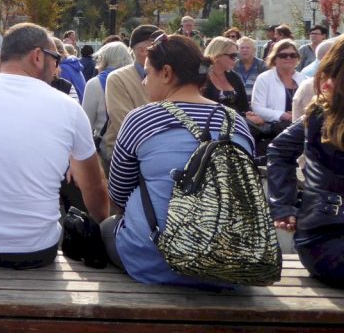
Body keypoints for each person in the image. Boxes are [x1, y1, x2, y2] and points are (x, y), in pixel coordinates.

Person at [0, 23, 109, 269]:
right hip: (34, 250)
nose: (57, 66)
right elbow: (94, 187)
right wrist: (103, 226)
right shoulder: (67, 108)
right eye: (55, 58)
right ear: (37, 56)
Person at [103, 34, 255, 286]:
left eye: (147, 72)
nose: (143, 82)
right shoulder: (235, 120)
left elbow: (118, 194)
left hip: (156, 262)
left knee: (109, 227)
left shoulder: (142, 118)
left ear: (166, 73)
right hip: (231, 265)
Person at [268, 37, 344, 287]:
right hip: (326, 237)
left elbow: (279, 150)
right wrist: (283, 206)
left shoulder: (321, 113)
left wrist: (284, 206)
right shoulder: (322, 115)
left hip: (320, 236)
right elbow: (279, 150)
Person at [102, 25, 158, 160]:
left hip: (156, 153)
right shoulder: (118, 78)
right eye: (159, 48)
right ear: (142, 50)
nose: (167, 53)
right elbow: (125, 124)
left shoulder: (164, 76)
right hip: (125, 156)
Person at [250, 38, 303, 156]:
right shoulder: (264, 79)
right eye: (283, 55)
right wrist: (283, 115)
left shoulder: (304, 80)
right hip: (273, 133)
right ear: (275, 59)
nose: (289, 58)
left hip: (300, 131)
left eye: (293, 55)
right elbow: (257, 108)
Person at [82, 41, 134, 156]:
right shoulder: (137, 80)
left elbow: (86, 123)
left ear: (104, 59)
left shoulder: (94, 84)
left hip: (109, 148)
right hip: (135, 146)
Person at [201, 36, 250, 115]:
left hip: (237, 123)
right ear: (217, 55)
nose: (236, 59)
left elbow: (244, 107)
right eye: (232, 56)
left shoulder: (234, 77)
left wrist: (249, 115)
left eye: (237, 56)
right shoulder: (201, 76)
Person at [233, 36, 266, 100]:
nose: (245, 50)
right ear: (237, 50)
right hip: (238, 102)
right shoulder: (233, 66)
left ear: (254, 50)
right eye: (242, 48)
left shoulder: (262, 66)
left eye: (248, 48)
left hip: (256, 102)